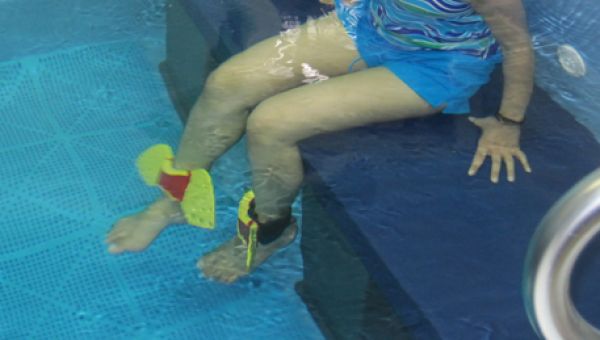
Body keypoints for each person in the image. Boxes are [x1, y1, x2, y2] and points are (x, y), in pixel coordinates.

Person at [106, 0, 534, 283]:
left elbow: (517, 45)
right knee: (226, 83)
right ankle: (174, 200)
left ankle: (271, 233)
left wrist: (507, 122)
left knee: (272, 123)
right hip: (371, 24)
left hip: (437, 64)